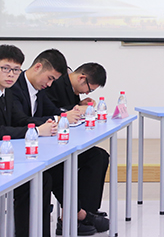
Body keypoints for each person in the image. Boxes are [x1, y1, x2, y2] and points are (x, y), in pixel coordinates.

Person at [9, 49, 107, 235]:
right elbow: (20, 120)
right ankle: (77, 215)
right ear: (37, 67)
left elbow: (54, 111)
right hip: (19, 152)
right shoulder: (14, 88)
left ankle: (79, 214)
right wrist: (57, 119)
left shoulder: (38, 90)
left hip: (36, 148)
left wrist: (67, 114)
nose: (49, 84)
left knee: (92, 157)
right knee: (51, 174)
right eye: (50, 78)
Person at [0, 45, 56, 237]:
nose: (11, 75)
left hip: (6, 154)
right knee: (32, 181)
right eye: (5, 68)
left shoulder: (6, 92)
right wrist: (37, 131)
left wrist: (47, 124)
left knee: (41, 178)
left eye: (16, 70)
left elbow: (19, 119)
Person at [45, 63, 110, 223]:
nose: (87, 93)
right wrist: (73, 109)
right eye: (89, 89)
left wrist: (79, 106)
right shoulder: (55, 84)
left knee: (100, 156)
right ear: (82, 78)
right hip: (51, 144)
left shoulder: (72, 88)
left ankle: (88, 210)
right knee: (94, 158)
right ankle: (78, 214)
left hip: (66, 141)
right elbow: (49, 111)